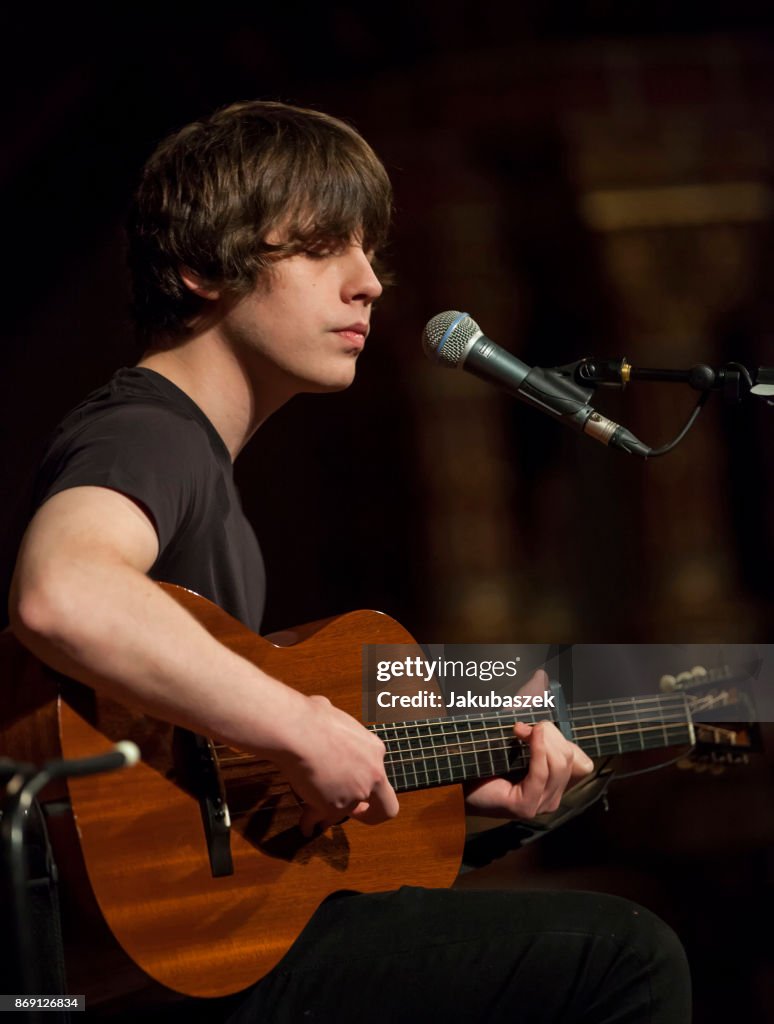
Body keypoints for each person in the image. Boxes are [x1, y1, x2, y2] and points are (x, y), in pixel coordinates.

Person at [8, 100, 691, 1022]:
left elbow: (230, 778)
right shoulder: (148, 433)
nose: (369, 283)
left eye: (370, 253)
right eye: (325, 246)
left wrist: (451, 772)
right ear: (201, 267)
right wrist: (299, 723)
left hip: (190, 950)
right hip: (151, 977)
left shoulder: (192, 460)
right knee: (624, 958)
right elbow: (64, 592)